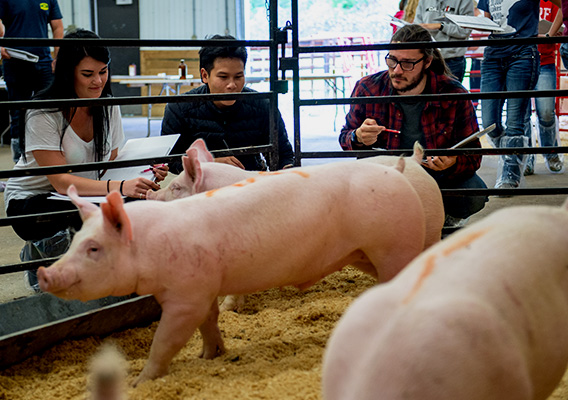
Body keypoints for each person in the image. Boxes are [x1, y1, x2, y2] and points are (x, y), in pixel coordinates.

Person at [3, 28, 167, 292]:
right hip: (34, 201)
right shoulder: (44, 110)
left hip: (84, 193)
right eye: (88, 74)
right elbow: (60, 182)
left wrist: (146, 171)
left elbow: (114, 161)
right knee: (83, 216)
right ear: (68, 73)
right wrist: (121, 187)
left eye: (103, 71)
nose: (98, 82)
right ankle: (44, 255)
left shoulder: (107, 105)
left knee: (134, 206)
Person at [339, 24, 487, 227]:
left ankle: (444, 218)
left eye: (408, 63)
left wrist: (452, 162)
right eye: (392, 60)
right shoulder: (368, 88)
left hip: (436, 178)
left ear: (426, 61)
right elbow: (345, 138)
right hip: (386, 176)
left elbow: (473, 156)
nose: (397, 70)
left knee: (473, 194)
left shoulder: (454, 94)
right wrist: (357, 136)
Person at [161, 34, 294, 174]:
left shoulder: (263, 105)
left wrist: (288, 171)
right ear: (205, 75)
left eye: (238, 76)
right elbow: (169, 162)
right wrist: (207, 163)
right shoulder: (179, 108)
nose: (232, 85)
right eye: (223, 77)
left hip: (249, 184)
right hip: (200, 188)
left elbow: (282, 156)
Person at [477, 0, 560, 191]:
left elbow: (562, 4)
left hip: (523, 53)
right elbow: (488, 21)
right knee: (490, 122)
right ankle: (516, 153)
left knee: (516, 119)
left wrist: (549, 34)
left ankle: (510, 175)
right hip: (493, 54)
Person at [0, 0, 64, 163]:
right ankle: (20, 162)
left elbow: (57, 27)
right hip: (15, 61)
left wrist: (58, 57)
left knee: (52, 109)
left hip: (43, 63)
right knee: (18, 113)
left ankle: (54, 157)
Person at [524, 0, 565, 175]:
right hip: (521, 60)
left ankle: (551, 152)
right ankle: (527, 158)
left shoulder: (552, 2)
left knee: (547, 111)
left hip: (544, 59)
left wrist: (552, 33)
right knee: (522, 114)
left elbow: (563, 20)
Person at [414, 0, 474, 82]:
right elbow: (417, 26)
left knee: (451, 93)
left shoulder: (464, 1)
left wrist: (441, 26)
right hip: (427, 58)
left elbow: (465, 30)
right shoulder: (423, 1)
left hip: (452, 59)